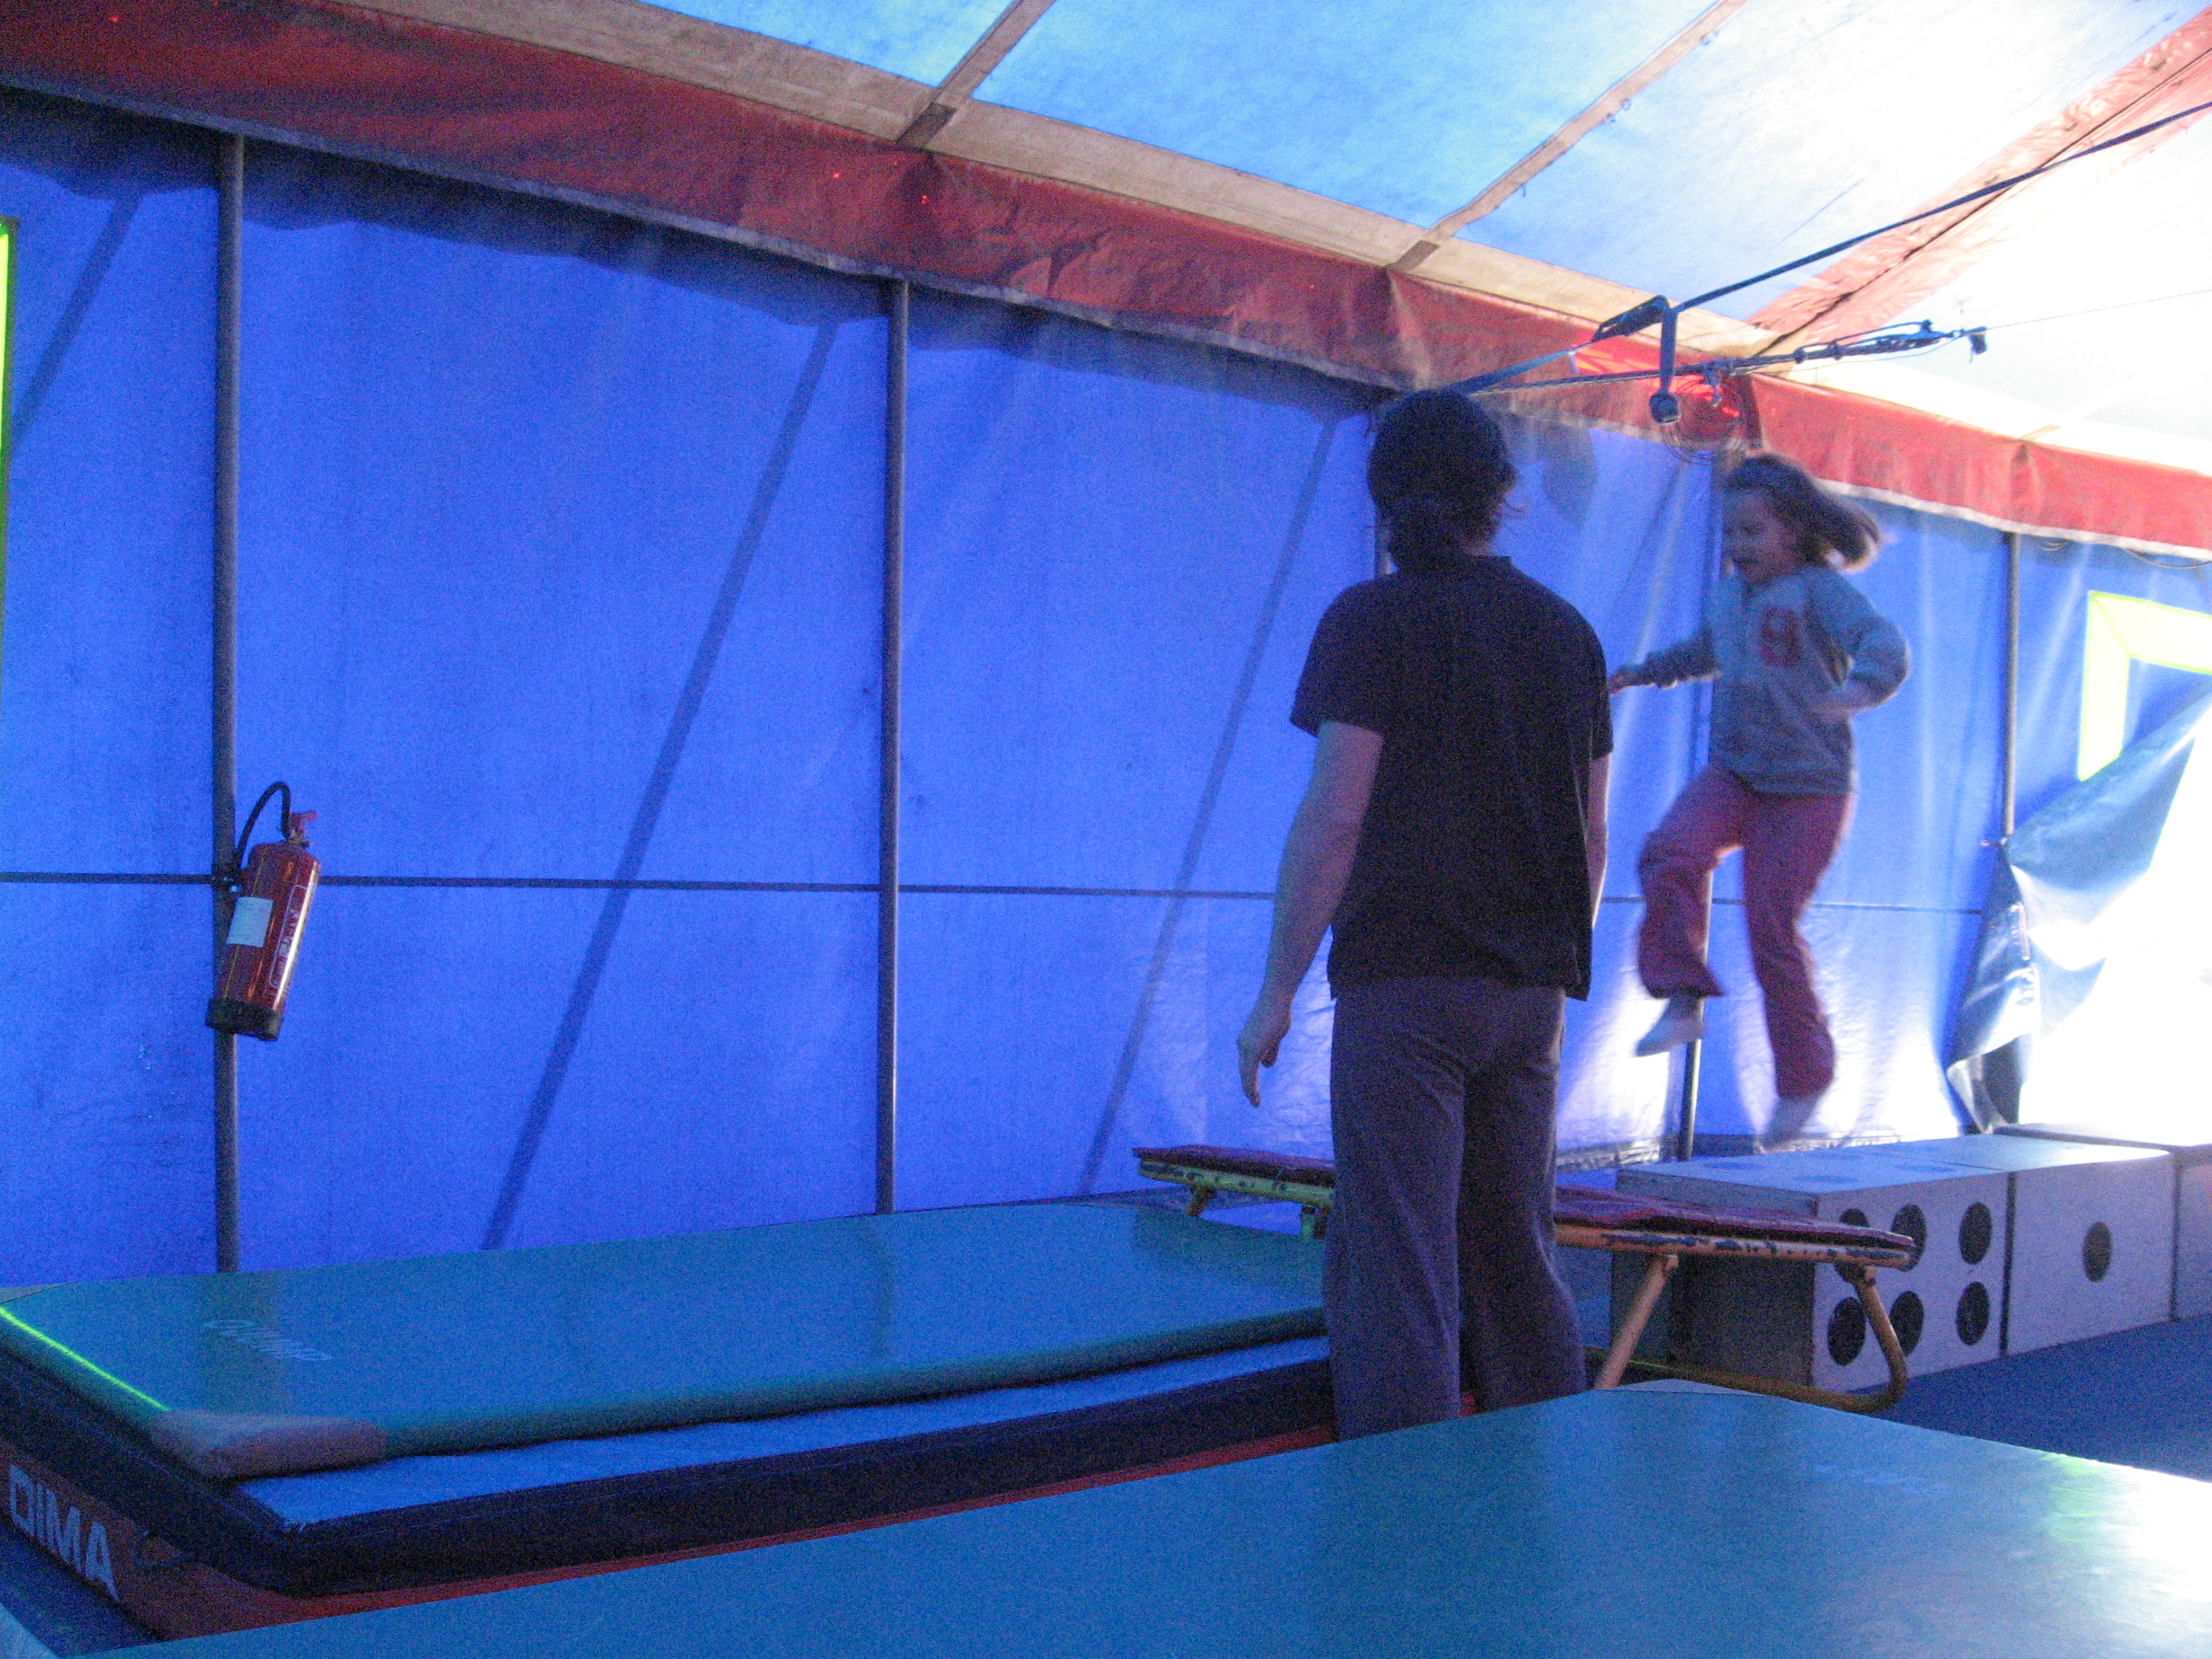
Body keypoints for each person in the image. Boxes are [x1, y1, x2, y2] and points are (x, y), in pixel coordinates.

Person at [1236, 390, 1611, 1440]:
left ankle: (1402, 1505)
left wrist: (1275, 993)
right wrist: (1547, 964)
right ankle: (1543, 1475)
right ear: (1504, 494)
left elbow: (1335, 818)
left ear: (1385, 502)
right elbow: (1591, 836)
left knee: (1398, 1263)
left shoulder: (1371, 622)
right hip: (1527, 996)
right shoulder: (1567, 636)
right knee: (1518, 1249)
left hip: (1407, 990)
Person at [1610, 452, 1910, 1146]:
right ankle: (1683, 995)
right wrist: (1646, 672)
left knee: (1772, 929)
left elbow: (1881, 640)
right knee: (1670, 852)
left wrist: (1860, 688)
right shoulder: (1730, 596)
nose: (1737, 546)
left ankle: (1804, 1079)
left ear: (1795, 532)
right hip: (1739, 772)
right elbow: (1705, 652)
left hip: (1808, 787)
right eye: (1730, 533)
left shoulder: (1818, 591)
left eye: (1753, 532)